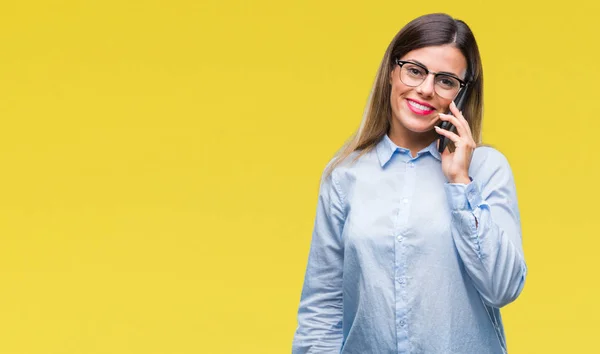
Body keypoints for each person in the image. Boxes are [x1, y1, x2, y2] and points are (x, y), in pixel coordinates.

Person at [291, 13, 527, 354]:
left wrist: (460, 182)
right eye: (415, 70)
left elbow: (502, 288)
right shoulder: (344, 176)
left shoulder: (487, 169)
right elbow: (323, 308)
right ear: (392, 71)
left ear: (460, 93)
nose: (426, 89)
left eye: (445, 80)